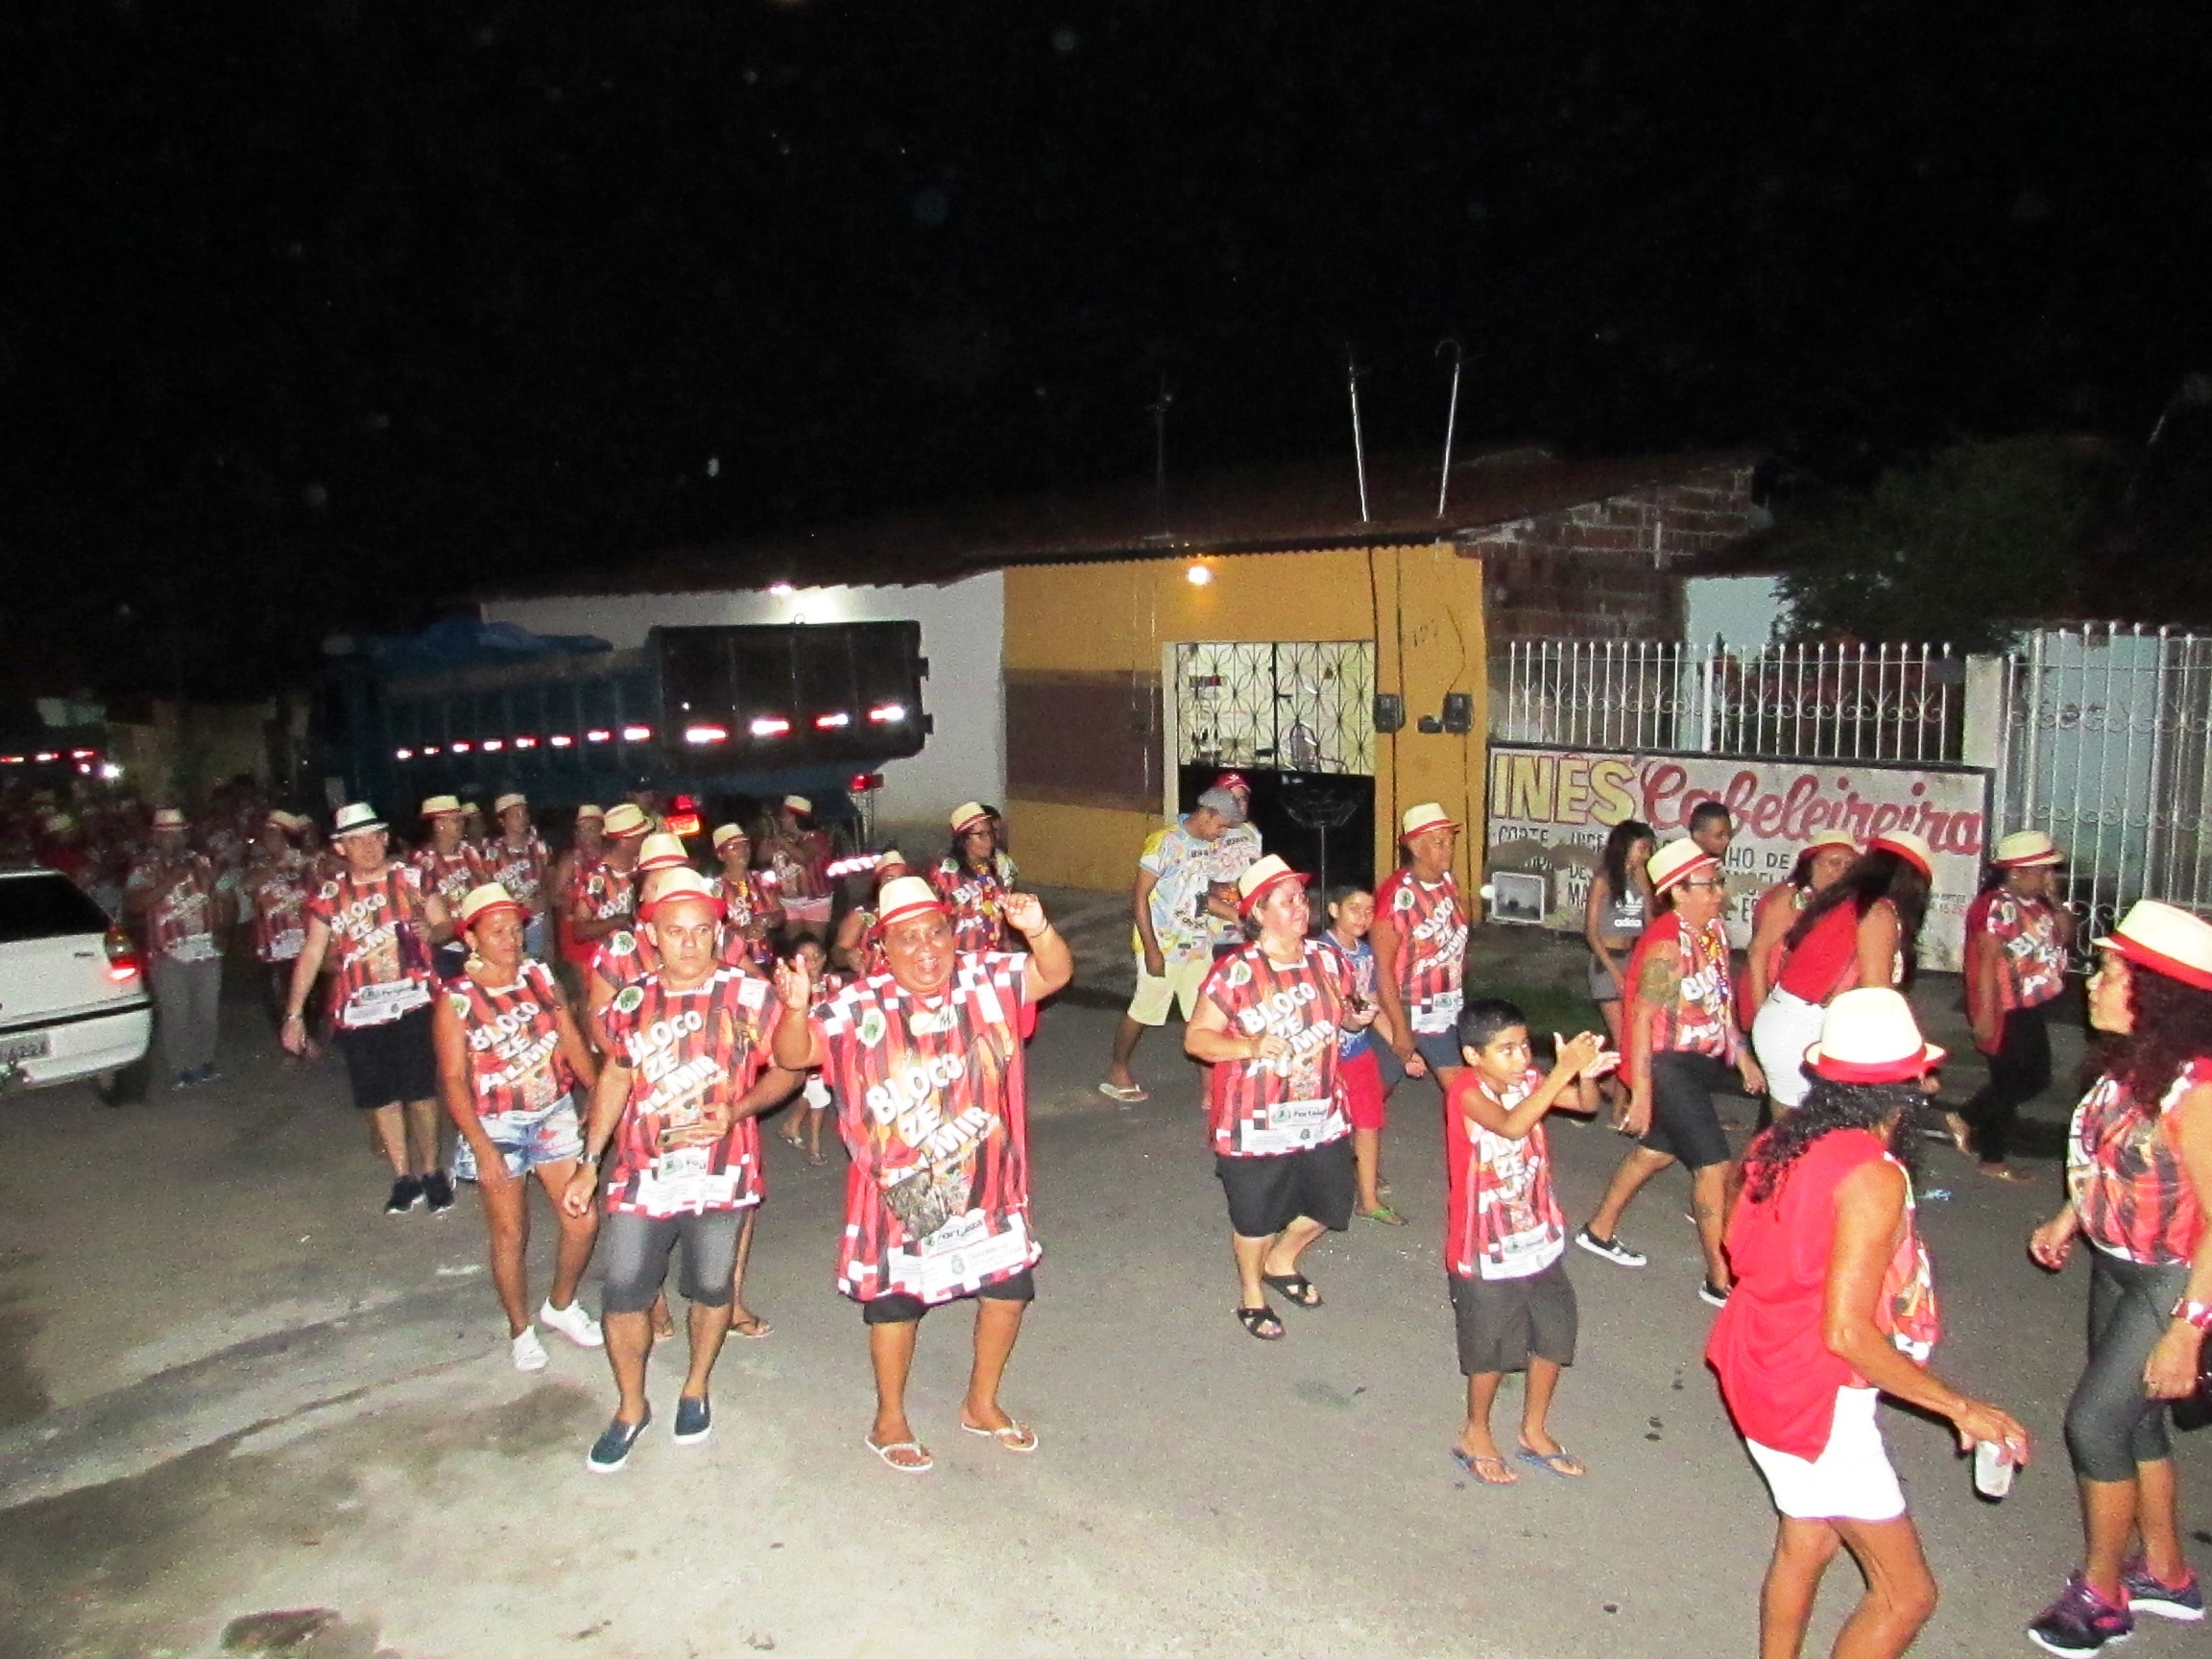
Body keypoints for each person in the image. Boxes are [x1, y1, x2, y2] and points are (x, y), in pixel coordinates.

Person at [1710, 988, 2030, 1659]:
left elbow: (1732, 1244)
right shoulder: (1871, 1175)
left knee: (1808, 1541)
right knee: (1906, 1595)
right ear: (1903, 1090)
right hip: (1813, 1397)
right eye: (1923, 1077)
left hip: (1754, 1360)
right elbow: (1847, 1334)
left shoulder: (1778, 1141)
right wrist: (1961, 1409)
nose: (1932, 1088)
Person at [771, 875, 1073, 1473]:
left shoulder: (986, 980)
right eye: (908, 938)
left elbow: (1054, 973)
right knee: (897, 1305)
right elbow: (791, 1055)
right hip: (901, 1192)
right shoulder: (857, 1007)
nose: (926, 949)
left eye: (935, 933)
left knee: (1009, 1289)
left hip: (988, 1180)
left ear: (952, 935)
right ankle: (889, 1419)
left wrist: (1037, 929)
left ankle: (981, 1404)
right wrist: (796, 1008)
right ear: (883, 947)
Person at [2024, 900, 2212, 1654]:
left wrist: (2186, 1333)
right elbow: (2112, 1161)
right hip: (2119, 1265)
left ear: (2158, 994)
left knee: (2094, 1423)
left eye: (2111, 971)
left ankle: (2102, 1595)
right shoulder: (2131, 1066)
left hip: (2171, 1282)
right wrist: (2069, 1218)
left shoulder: (2197, 1093)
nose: (2092, 983)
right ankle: (2166, 1572)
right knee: (2136, 1422)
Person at [563, 871, 798, 1473]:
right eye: (675, 932)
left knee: (713, 1289)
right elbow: (616, 1077)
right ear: (652, 936)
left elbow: (791, 1068)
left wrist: (738, 1110)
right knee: (623, 1294)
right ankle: (630, 1407)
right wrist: (589, 1163)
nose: (690, 943)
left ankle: (695, 1387)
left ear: (718, 932)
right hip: (643, 1172)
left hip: (723, 1172)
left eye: (701, 930)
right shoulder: (631, 1001)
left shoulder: (750, 994)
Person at [1186, 854, 1372, 1339]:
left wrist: (1357, 1018)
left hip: (1321, 1111)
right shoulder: (1235, 973)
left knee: (1333, 1203)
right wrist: (1248, 1047)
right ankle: (1252, 1293)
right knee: (1256, 1219)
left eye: (1301, 898)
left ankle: (1282, 1260)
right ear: (1258, 912)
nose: (1300, 907)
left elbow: (1346, 1012)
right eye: (1286, 900)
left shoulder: (1328, 959)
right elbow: (1197, 1039)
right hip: (1255, 1119)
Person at [1578, 837, 1766, 1305]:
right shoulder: (1666, 947)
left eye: (1719, 882)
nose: (1719, 892)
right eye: (1709, 885)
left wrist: (1741, 1053)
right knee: (1713, 1166)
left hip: (1697, 1063)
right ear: (1678, 892)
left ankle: (1598, 1230)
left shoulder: (1712, 932)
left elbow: (1719, 1000)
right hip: (1667, 1066)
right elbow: (1641, 1019)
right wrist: (1641, 1093)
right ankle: (1720, 1279)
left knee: (1656, 1152)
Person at [433, 883, 606, 1371]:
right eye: (497, 931)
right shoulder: (457, 1000)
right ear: (471, 939)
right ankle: (520, 1328)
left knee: (582, 1219)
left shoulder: (539, 976)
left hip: (552, 1111)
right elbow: (453, 1078)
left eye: (515, 929)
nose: (511, 940)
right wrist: (481, 1145)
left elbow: (569, 1036)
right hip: (497, 1123)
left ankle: (561, 1304)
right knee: (511, 1233)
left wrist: (597, 1091)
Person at [1446, 999, 1607, 1484]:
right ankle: (1475, 1432)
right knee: (1490, 1350)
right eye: (1506, 1050)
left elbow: (1586, 1105)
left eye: (1523, 1046)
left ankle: (1534, 1430)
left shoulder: (1531, 1081)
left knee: (1554, 1336)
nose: (1520, 1059)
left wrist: (1585, 1077)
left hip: (1538, 1237)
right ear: (1474, 1056)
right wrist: (1562, 1072)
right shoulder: (1465, 1092)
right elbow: (1512, 1126)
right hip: (1485, 1250)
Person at [284, 802, 455, 1215]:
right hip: (360, 1010)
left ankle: (432, 1169)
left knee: (420, 1091)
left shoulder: (412, 878)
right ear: (340, 848)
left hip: (412, 1001)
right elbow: (311, 954)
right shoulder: (330, 895)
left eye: (373, 838)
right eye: (355, 840)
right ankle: (403, 1176)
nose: (367, 847)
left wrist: (432, 932)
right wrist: (293, 1015)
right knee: (380, 1097)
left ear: (385, 838)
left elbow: (447, 923)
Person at [1751, 831, 1935, 1115]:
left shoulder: (1847, 900)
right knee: (1811, 1132)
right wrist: (1914, 1060)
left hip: (1793, 1023)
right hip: (1804, 1028)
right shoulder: (1877, 913)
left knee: (1795, 1132)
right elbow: (1878, 998)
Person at [1098, 785, 1252, 1102]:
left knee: (1205, 1017)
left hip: (1197, 945)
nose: (1222, 833)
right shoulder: (1165, 842)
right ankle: (1117, 1069)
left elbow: (1200, 897)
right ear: (1206, 813)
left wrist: (1239, 918)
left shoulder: (1207, 845)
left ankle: (1211, 1091)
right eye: (1220, 825)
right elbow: (1139, 896)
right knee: (1144, 1011)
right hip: (1164, 945)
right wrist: (1152, 949)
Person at [1946, 831, 2073, 1183]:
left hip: (2030, 1003)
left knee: (2028, 1079)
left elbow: (2065, 935)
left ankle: (1970, 1122)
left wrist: (2055, 900)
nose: (2048, 877)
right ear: (2016, 872)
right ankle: (1988, 1151)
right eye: (2042, 870)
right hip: (2006, 1006)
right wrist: (1986, 1015)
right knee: (2012, 1080)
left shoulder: (2036, 903)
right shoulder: (1996, 906)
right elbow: (1985, 963)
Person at [1317, 883, 1407, 1225]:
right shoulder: (1320, 952)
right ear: (1334, 910)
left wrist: (1401, 1048)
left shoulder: (1366, 953)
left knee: (1369, 1120)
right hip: (1325, 1055)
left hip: (1358, 1049)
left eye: (1369, 911)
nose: (1363, 917)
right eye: (1354, 908)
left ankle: (1368, 1200)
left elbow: (1373, 1005)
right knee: (1323, 1126)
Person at [1373, 803, 1472, 1096]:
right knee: (1375, 1092)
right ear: (1416, 847)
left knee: (1461, 1091)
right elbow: (1382, 968)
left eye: (1450, 842)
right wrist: (1399, 1027)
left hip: (1442, 1008)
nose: (1448, 850)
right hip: (1405, 1008)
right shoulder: (1396, 895)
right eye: (1439, 843)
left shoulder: (1448, 882)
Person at [126, 805, 226, 1090]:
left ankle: (204, 1062)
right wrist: (170, 880)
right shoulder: (143, 867)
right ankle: (181, 1068)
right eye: (167, 834)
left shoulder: (201, 862)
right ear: (156, 836)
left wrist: (220, 930)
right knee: (177, 1014)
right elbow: (135, 904)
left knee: (206, 1012)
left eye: (179, 833)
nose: (174, 839)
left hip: (205, 947)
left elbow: (215, 896)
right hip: (168, 951)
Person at [1743, 830, 1862, 1024]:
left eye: (1849, 865)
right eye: (1834, 862)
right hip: (1772, 1001)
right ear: (1812, 863)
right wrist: (1762, 1017)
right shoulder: (1789, 898)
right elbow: (1757, 952)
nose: (1842, 870)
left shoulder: (1839, 902)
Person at [1584, 818, 1656, 1056]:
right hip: (1607, 962)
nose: (1646, 855)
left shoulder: (1640, 876)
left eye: (1648, 849)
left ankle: (1620, 1078)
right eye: (1642, 849)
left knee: (1638, 1036)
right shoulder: (1603, 880)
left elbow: (1649, 921)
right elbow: (1591, 933)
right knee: (1624, 1040)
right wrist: (1616, 974)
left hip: (1633, 957)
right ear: (1625, 847)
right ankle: (1615, 1077)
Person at [244, 810, 313, 1038]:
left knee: (301, 993)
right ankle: (290, 1041)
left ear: (285, 837)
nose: (266, 839)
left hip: (301, 939)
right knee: (274, 996)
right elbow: (248, 885)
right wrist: (274, 867)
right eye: (266, 834)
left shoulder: (306, 862)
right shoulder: (260, 863)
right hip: (271, 940)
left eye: (271, 834)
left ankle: (305, 1040)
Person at [773, 937, 833, 1166]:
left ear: (824, 958)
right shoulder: (791, 989)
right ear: (793, 962)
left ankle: (791, 1125)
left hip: (827, 1048)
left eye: (817, 956)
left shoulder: (833, 982)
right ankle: (815, 1147)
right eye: (805, 958)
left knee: (811, 1092)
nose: (812, 962)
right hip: (804, 1050)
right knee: (820, 1097)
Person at [931, 801, 1018, 953]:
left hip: (994, 955)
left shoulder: (993, 868)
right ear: (963, 840)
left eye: (990, 833)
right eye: (980, 835)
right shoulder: (944, 871)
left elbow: (1002, 920)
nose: (988, 839)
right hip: (960, 956)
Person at [569, 803, 651, 955]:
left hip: (644, 956)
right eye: (641, 836)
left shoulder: (644, 867)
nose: (646, 839)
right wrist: (619, 921)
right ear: (624, 840)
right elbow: (580, 931)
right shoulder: (594, 877)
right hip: (610, 961)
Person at [480, 794, 552, 958]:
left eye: (524, 813)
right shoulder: (490, 852)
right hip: (506, 927)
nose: (522, 819)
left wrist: (541, 902)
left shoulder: (539, 848)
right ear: (502, 820)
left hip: (536, 924)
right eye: (515, 815)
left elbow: (548, 887)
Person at [548, 803, 607, 997]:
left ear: (602, 830)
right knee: (585, 992)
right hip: (576, 931)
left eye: (591, 829)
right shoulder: (570, 860)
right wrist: (579, 905)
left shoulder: (609, 858)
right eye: (581, 830)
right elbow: (554, 897)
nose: (586, 836)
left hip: (604, 929)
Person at [709, 822, 782, 968]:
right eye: (734, 847)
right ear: (721, 855)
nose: (742, 851)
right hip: (732, 964)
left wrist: (768, 919)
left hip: (766, 959)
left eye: (745, 845)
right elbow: (710, 930)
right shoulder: (714, 890)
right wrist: (742, 933)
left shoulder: (762, 880)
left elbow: (780, 913)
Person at [764, 794, 832, 940]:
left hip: (814, 902)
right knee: (795, 945)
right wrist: (769, 839)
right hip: (788, 902)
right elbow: (761, 857)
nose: (781, 819)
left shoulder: (816, 837)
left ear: (795, 817)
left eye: (784, 815)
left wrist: (780, 841)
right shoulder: (786, 838)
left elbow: (803, 857)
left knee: (813, 944)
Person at [412, 795, 484, 916]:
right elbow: (423, 904)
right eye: (455, 820)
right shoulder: (422, 859)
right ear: (438, 825)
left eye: (462, 820)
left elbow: (486, 885)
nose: (462, 824)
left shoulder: (469, 852)